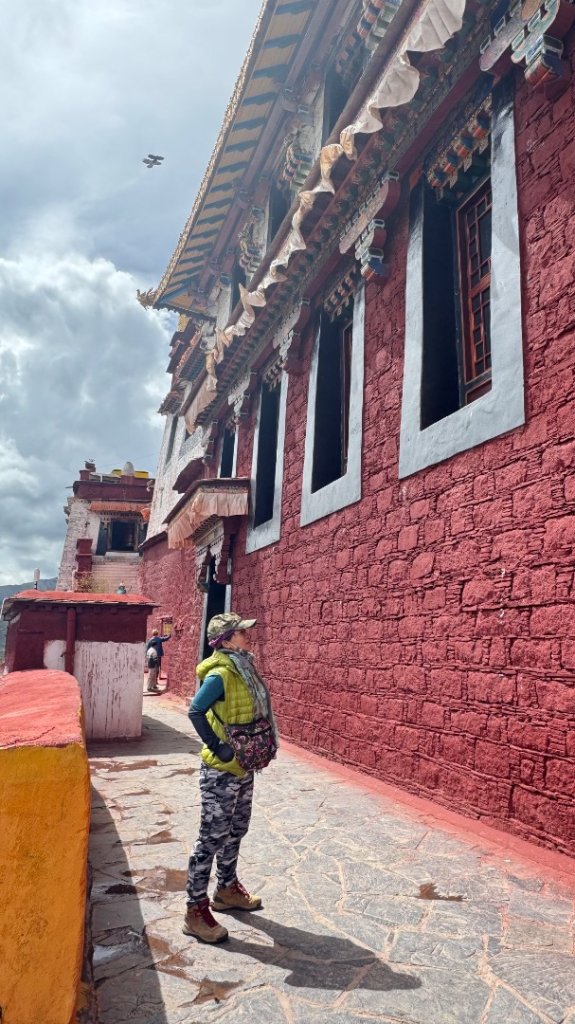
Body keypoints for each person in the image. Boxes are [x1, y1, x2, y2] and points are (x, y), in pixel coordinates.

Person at [183, 611, 278, 944]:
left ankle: (225, 889)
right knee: (210, 838)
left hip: (243, 766)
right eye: (240, 632)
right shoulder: (221, 674)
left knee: (237, 829)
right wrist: (217, 746)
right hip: (221, 771)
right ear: (225, 640)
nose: (245, 635)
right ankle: (195, 909)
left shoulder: (243, 668)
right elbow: (195, 710)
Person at [145, 627, 171, 693]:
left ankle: (153, 684)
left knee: (152, 671)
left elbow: (147, 649)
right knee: (156, 670)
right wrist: (169, 635)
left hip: (151, 657)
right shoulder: (159, 639)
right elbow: (166, 638)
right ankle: (154, 683)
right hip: (158, 656)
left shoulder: (150, 640)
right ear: (157, 633)